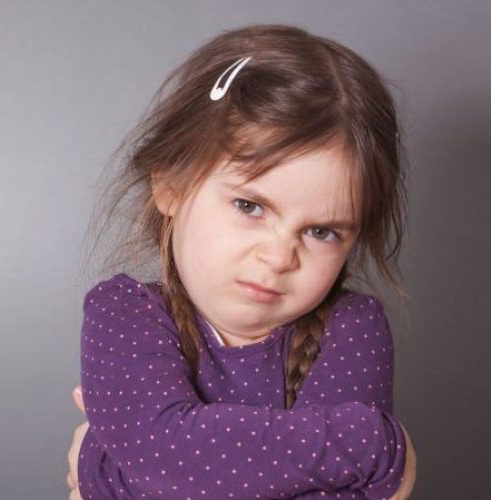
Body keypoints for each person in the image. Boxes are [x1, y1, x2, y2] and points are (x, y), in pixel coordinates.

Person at [64, 24, 418, 499]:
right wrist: (375, 443)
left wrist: (107, 473)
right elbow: (163, 456)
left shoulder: (352, 327)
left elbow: (157, 474)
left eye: (320, 232)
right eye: (250, 206)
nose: (278, 257)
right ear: (171, 184)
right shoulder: (124, 314)